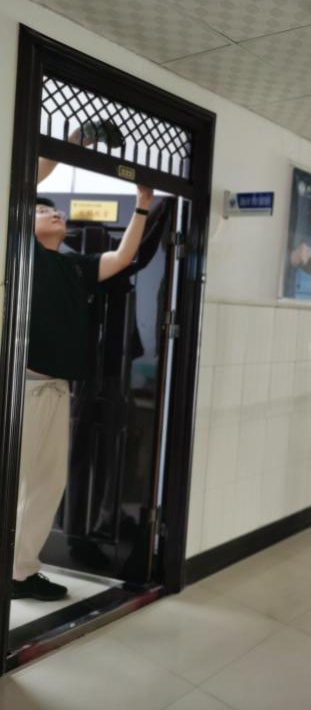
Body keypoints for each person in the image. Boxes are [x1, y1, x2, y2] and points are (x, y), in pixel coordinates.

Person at [11, 132, 154, 602]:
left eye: (56, 211)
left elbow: (123, 257)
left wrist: (143, 204)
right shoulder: (23, 254)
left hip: (58, 390)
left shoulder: (73, 266)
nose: (55, 214)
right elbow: (24, 179)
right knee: (17, 484)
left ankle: (20, 572)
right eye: (42, 211)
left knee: (48, 484)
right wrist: (77, 141)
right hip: (23, 391)